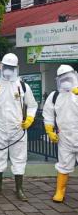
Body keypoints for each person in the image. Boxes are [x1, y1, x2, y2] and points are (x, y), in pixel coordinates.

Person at [0, 53, 38, 201]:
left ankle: (19, 189)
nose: (8, 70)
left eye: (11, 67)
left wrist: (29, 119)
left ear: (15, 68)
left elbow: (32, 106)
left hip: (18, 129)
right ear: (2, 67)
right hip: (0, 128)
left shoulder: (23, 86)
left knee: (19, 158)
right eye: (6, 67)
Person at [42, 65, 78, 203]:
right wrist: (50, 130)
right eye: (62, 79)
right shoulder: (55, 95)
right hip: (65, 137)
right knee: (63, 165)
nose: (66, 81)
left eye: (68, 78)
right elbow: (48, 115)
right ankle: (60, 192)